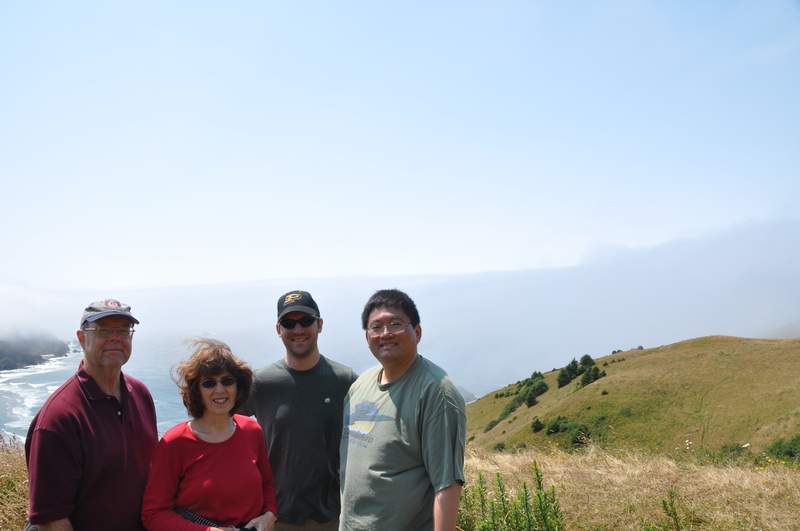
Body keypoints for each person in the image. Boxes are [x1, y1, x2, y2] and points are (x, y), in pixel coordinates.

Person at [25, 299, 158, 531]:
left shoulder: (140, 393)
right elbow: (50, 520)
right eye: (103, 330)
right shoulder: (59, 418)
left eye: (124, 330)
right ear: (82, 338)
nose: (115, 338)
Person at [339, 289, 467, 531]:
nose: (385, 333)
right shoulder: (361, 384)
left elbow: (447, 484)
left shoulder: (436, 392)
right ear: (367, 337)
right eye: (376, 327)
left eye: (395, 324)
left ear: (417, 332)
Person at [242, 290, 358, 531]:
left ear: (320, 325)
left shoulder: (344, 380)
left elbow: (371, 430)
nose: (298, 329)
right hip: (275, 517)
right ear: (278, 329)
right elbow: (220, 427)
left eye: (306, 321)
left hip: (332, 516)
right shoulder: (261, 383)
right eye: (288, 323)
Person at [141, 339, 278, 531]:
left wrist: (270, 514)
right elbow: (153, 514)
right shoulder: (174, 443)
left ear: (238, 386)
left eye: (227, 381)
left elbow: (266, 484)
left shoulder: (252, 430)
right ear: (196, 390)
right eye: (209, 383)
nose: (220, 390)